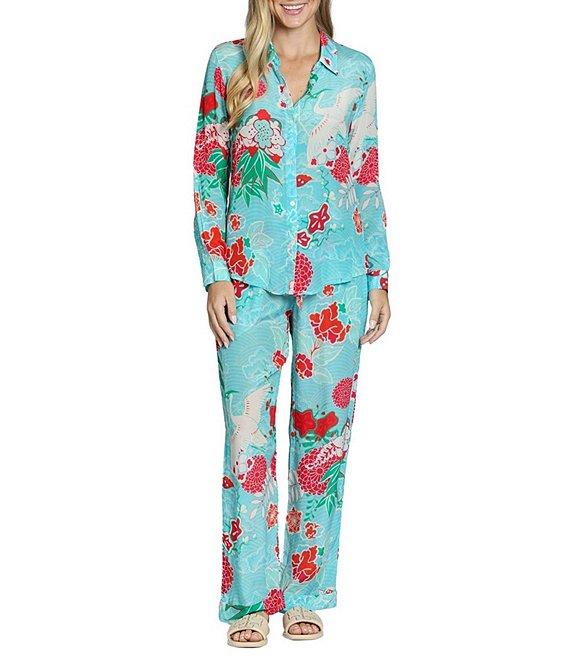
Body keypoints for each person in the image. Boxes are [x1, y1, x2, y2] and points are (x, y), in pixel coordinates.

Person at [193, 0, 390, 647]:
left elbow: (365, 176)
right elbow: (208, 171)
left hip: (337, 277)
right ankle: (251, 598)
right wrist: (215, 271)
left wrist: (380, 275)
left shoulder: (355, 71)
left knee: (322, 439)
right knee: (246, 441)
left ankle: (304, 590)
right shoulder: (229, 64)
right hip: (248, 278)